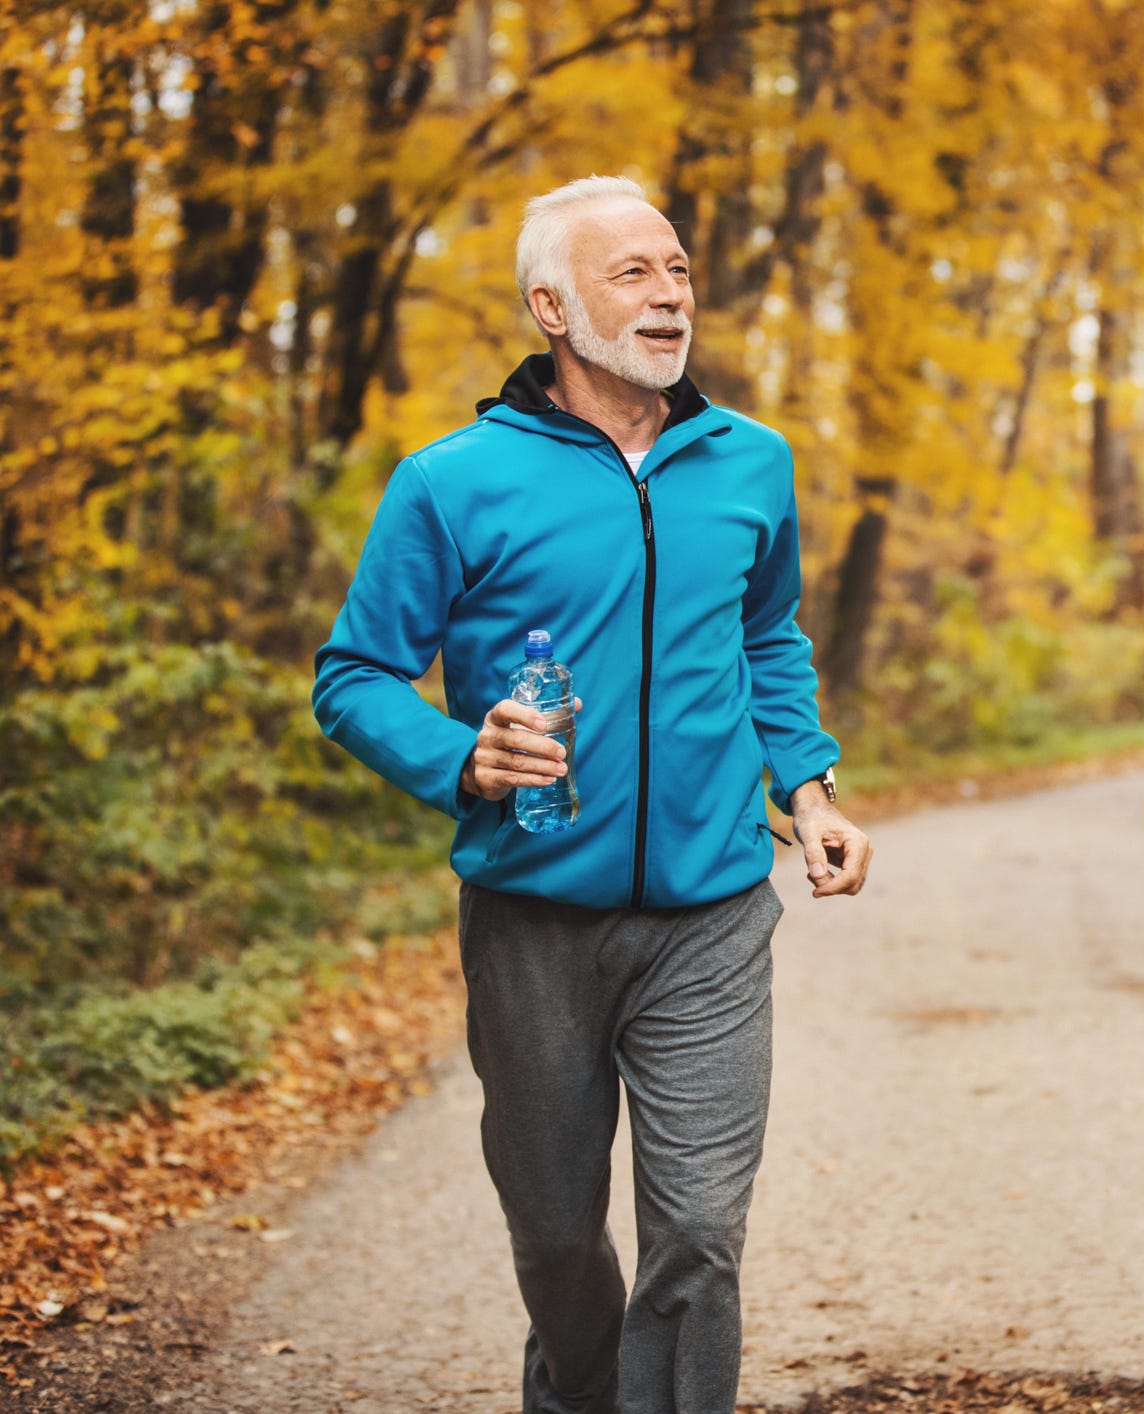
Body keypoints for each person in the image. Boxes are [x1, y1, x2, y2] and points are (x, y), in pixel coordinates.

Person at [313, 174, 871, 1414]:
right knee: (559, 1237)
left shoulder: (750, 463)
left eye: (677, 269)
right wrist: (459, 751)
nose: (670, 295)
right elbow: (351, 677)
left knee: (700, 1239)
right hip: (532, 918)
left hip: (714, 913)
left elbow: (767, 638)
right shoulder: (451, 481)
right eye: (633, 275)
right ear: (550, 307)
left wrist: (812, 787)